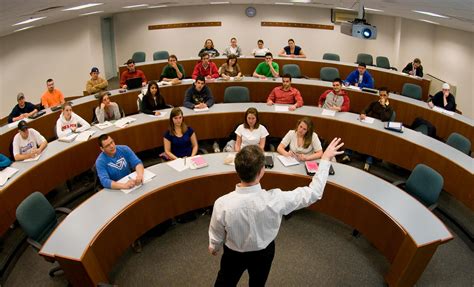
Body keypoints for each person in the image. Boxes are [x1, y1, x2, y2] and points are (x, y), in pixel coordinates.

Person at [209, 138, 344, 286]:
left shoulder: (222, 203)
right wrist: (324, 160)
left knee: (224, 283)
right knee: (258, 284)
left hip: (233, 254)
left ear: (237, 170)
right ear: (262, 171)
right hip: (264, 253)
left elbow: (216, 232)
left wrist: (214, 246)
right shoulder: (277, 199)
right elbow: (314, 193)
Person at [342, 87, 394, 171]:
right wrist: (363, 113)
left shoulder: (389, 108)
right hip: (369, 124)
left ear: (388, 95)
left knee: (373, 140)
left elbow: (384, 118)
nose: (382, 97)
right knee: (356, 132)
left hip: (379, 129)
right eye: (380, 95)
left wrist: (383, 106)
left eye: (384, 95)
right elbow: (365, 109)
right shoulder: (374, 103)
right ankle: (348, 154)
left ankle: (368, 162)